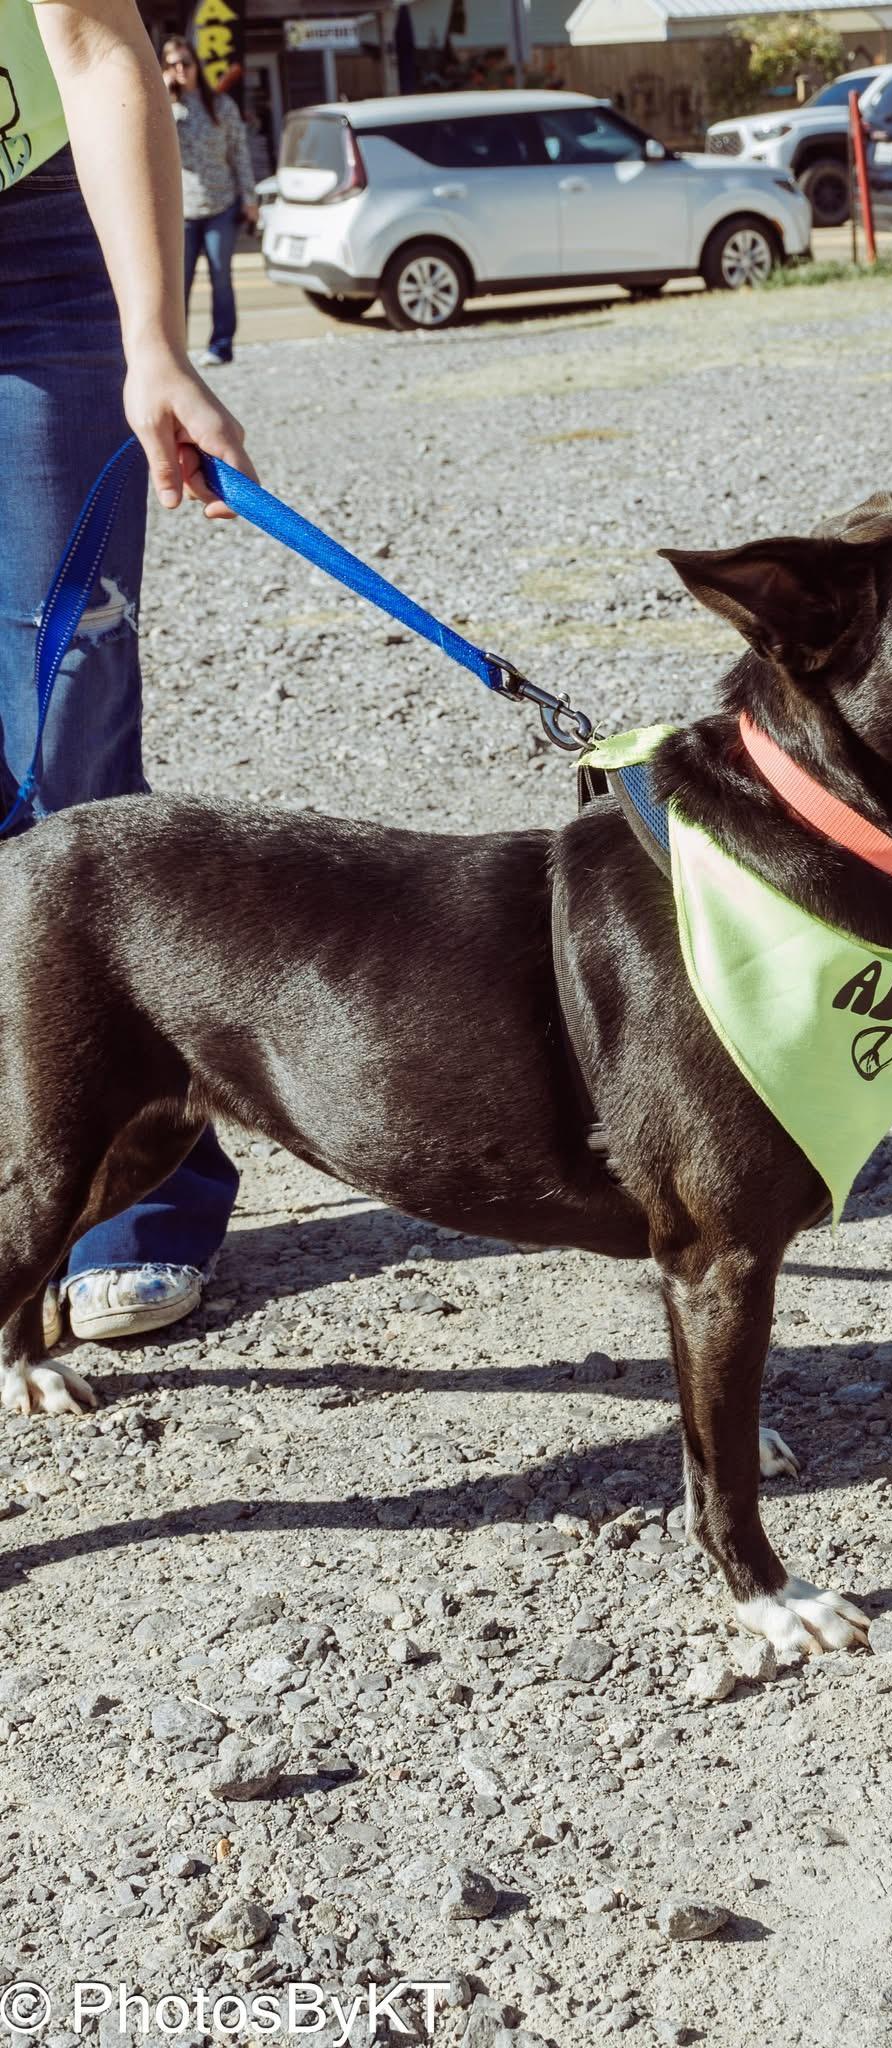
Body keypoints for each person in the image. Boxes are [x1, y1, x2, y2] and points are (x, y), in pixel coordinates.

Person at [1, 0, 255, 1349]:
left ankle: (137, 1194)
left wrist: (155, 341)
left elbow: (96, 45)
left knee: (71, 751)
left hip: (35, 250)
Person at [161, 35, 258, 369]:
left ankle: (221, 345)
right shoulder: (163, 109)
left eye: (185, 63)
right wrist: (162, 93)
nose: (180, 70)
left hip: (221, 205)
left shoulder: (221, 105)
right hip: (182, 210)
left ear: (197, 65)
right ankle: (177, 353)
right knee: (178, 283)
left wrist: (250, 198)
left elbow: (239, 153)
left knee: (220, 276)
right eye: (172, 65)